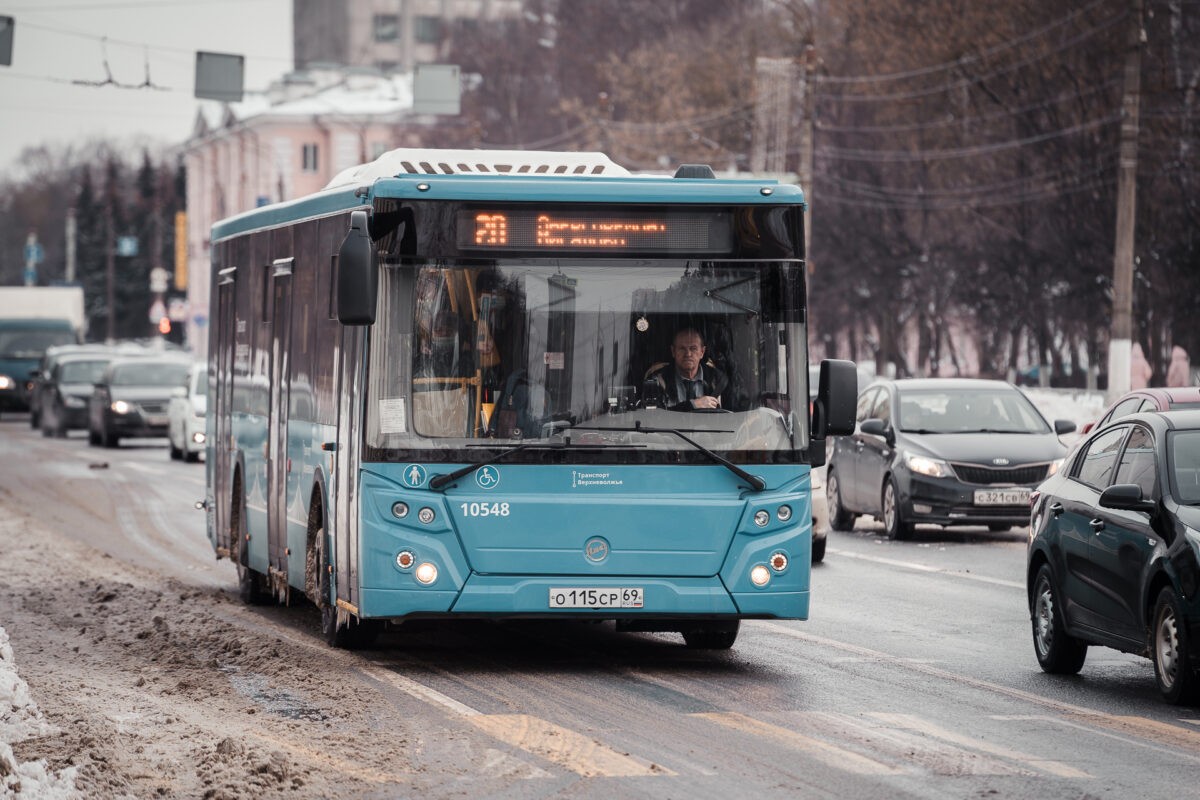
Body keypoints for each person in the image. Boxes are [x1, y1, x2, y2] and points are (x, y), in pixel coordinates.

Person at [644, 327, 728, 410]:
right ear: (673, 351)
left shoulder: (718, 380)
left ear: (702, 352)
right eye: (682, 348)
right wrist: (693, 404)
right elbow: (653, 416)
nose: (688, 354)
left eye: (693, 348)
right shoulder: (657, 380)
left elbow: (734, 416)